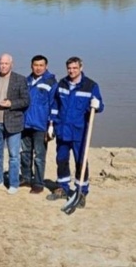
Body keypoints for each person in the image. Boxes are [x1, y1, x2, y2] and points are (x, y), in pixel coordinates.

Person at [47, 56, 104, 205]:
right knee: (61, 160)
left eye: (75, 68)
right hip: (62, 130)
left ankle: (81, 191)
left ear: (81, 68)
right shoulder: (62, 84)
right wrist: (51, 124)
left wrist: (97, 105)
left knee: (81, 162)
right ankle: (62, 187)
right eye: (69, 68)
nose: (72, 71)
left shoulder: (90, 86)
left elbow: (100, 106)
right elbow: (55, 105)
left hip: (80, 131)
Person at [0, 54, 30, 194]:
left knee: (14, 155)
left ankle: (13, 183)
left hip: (13, 123)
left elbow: (26, 101)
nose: (3, 66)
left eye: (6, 63)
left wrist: (11, 104)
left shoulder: (19, 79)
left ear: (11, 64)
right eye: (1, 63)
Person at [21, 55, 58, 194]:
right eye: (35, 65)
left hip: (41, 125)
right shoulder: (27, 81)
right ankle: (25, 178)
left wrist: (51, 125)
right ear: (31, 66)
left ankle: (38, 183)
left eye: (41, 65)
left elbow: (54, 105)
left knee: (39, 156)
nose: (38, 68)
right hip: (26, 124)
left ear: (46, 66)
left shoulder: (51, 82)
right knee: (24, 153)